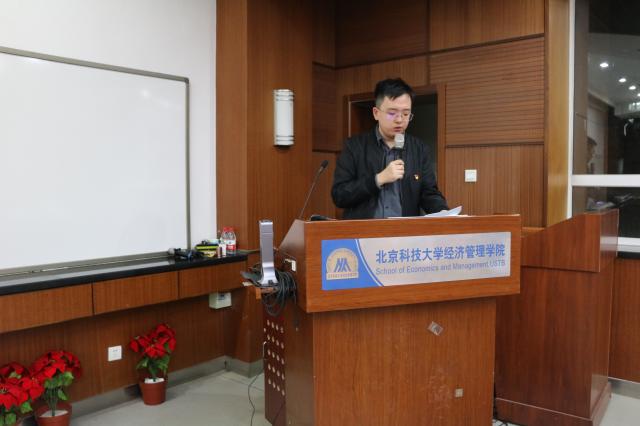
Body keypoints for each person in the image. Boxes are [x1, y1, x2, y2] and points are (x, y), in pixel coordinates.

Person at [331, 78, 448, 219]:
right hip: (365, 231)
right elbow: (339, 195)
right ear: (376, 113)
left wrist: (444, 212)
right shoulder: (354, 147)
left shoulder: (419, 149)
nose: (399, 120)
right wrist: (378, 179)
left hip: (404, 231)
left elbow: (429, 193)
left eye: (406, 114)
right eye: (392, 113)